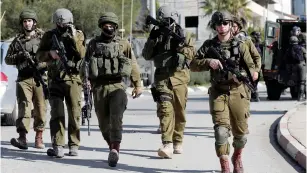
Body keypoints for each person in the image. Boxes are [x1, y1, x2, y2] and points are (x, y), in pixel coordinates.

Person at [190, 11, 260, 173]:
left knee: (241, 134)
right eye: (218, 24)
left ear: (230, 25)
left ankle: (237, 157)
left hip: (238, 92)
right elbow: (193, 64)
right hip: (218, 92)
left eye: (225, 24)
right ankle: (225, 166)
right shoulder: (209, 45)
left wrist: (249, 74)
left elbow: (252, 67)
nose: (222, 27)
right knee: (221, 131)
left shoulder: (240, 45)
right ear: (214, 26)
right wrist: (209, 61)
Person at [80, 12, 141, 167]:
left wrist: (137, 84)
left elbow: (132, 64)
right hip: (98, 87)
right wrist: (85, 81)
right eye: (105, 25)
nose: (108, 27)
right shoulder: (93, 44)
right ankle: (111, 146)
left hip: (118, 86)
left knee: (116, 118)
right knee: (103, 123)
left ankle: (115, 148)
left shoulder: (123, 44)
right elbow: (85, 65)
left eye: (111, 25)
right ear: (101, 27)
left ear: (115, 26)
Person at [142, 5, 195, 159]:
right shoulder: (156, 34)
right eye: (163, 20)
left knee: (179, 112)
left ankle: (178, 140)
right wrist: (152, 39)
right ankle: (167, 144)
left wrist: (180, 47)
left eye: (168, 20)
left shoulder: (185, 35)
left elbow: (192, 54)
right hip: (162, 78)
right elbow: (146, 55)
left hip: (179, 78)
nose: (165, 22)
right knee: (165, 110)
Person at [36, 8, 86, 158]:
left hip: (73, 80)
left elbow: (82, 54)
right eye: (59, 24)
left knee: (74, 112)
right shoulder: (49, 36)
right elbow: (39, 55)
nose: (61, 26)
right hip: (55, 79)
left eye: (64, 24)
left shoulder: (78, 34)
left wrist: (73, 37)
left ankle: (73, 144)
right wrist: (49, 54)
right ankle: (58, 145)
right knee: (56, 113)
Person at [5, 9, 47, 150]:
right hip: (23, 79)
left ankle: (39, 137)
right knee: (24, 108)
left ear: (34, 22)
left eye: (29, 21)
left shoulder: (43, 38)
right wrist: (19, 56)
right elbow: (7, 59)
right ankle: (22, 138)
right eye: (25, 21)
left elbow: (52, 57)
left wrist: (41, 64)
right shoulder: (17, 41)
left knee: (41, 108)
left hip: (39, 78)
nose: (27, 24)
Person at [232, 16, 262, 102]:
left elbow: (257, 57)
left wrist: (256, 70)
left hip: (245, 72)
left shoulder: (246, 40)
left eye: (234, 26)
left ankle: (254, 96)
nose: (232, 28)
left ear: (238, 27)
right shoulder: (226, 40)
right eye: (231, 26)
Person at [284, 36, 306, 101]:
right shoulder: (301, 48)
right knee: (302, 81)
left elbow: (285, 59)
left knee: (294, 81)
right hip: (301, 65)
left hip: (292, 66)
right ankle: (301, 96)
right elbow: (305, 56)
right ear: (297, 41)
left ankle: (294, 92)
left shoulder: (288, 49)